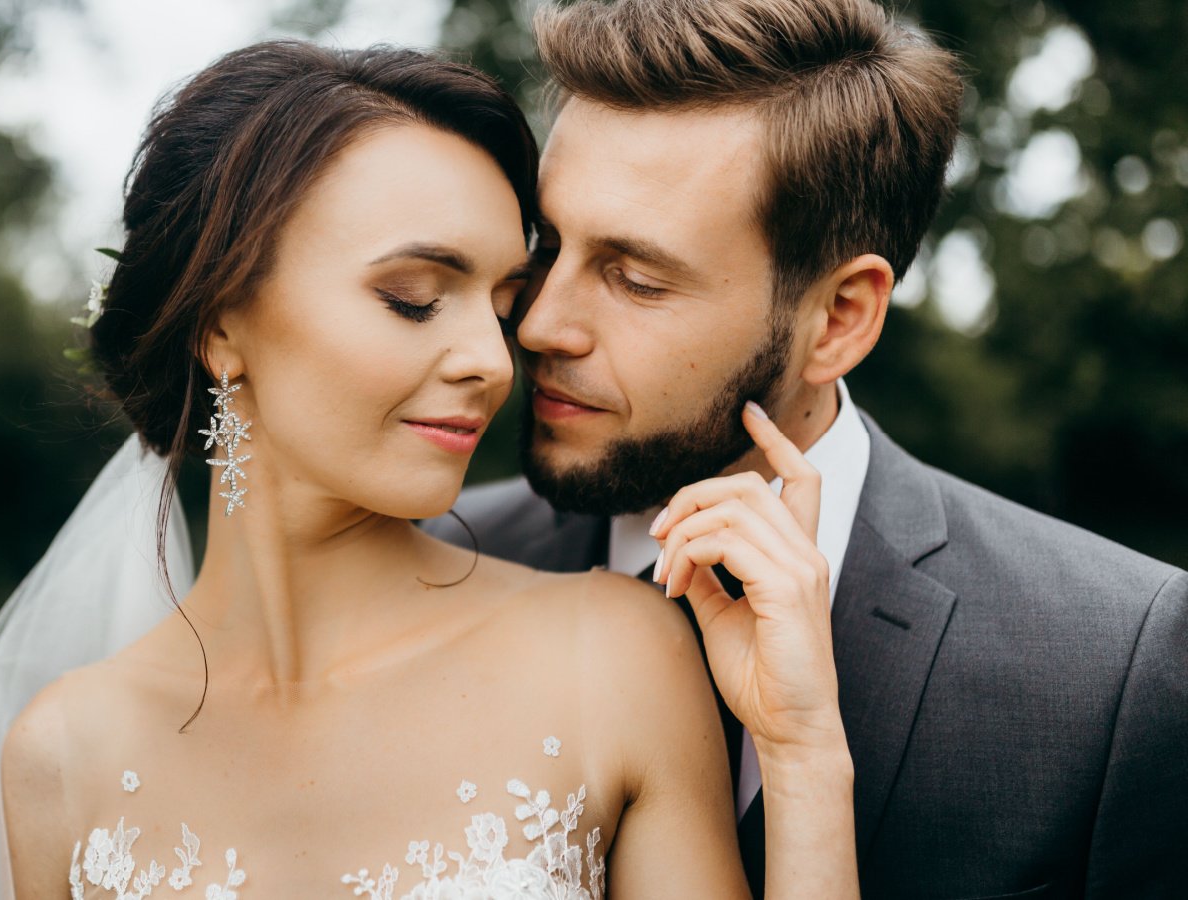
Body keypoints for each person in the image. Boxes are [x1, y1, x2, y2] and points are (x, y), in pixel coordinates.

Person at [0, 39, 859, 900]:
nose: (495, 357)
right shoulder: (62, 757)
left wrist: (807, 759)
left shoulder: (613, 653)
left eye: (501, 299)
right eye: (412, 298)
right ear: (221, 324)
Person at [427, 1, 1188, 898]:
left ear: (838, 319)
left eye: (635, 279)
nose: (541, 323)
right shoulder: (442, 560)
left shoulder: (1112, 667)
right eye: (546, 247)